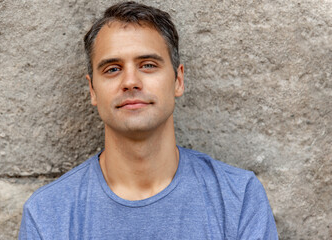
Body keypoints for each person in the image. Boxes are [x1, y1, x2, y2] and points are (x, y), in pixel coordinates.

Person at [19, 2, 278, 239]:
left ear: (178, 80)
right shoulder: (48, 215)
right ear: (92, 91)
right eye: (112, 69)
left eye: (148, 65)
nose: (131, 81)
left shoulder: (238, 198)